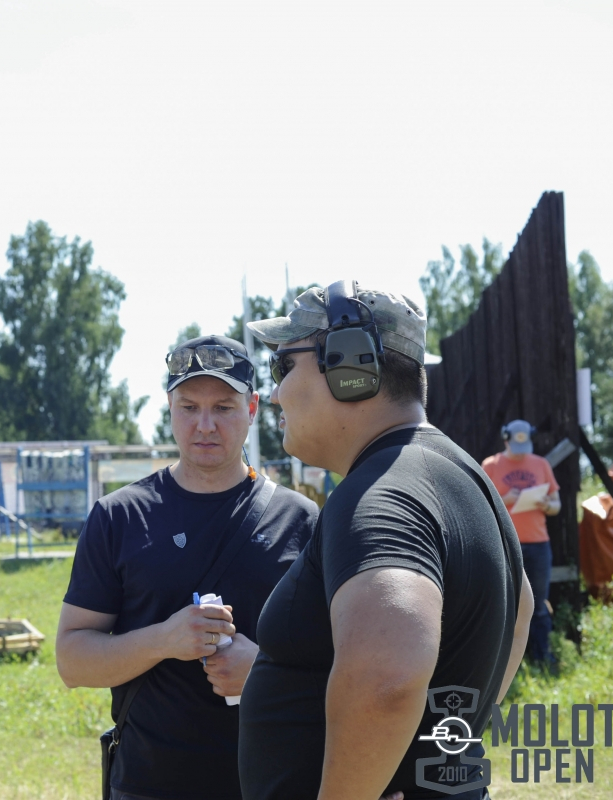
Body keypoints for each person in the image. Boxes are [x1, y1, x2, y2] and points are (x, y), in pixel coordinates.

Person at [239, 282, 532, 800]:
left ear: (350, 367)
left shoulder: (379, 494)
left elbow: (387, 678)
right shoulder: (461, 474)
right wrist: (446, 749)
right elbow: (521, 608)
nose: (276, 392)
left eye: (284, 366)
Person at [56, 335, 319, 800]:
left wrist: (264, 672)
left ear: (252, 409)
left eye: (223, 408)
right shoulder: (120, 517)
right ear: (169, 408)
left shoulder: (300, 520)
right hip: (149, 784)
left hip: (274, 783)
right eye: (189, 407)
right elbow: (72, 661)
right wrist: (164, 639)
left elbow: (342, 661)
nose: (205, 425)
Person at [482, 420, 561, 664]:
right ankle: (504, 662)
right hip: (505, 544)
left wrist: (546, 504)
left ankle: (541, 657)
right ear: (506, 439)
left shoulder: (541, 464)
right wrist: (504, 499)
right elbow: (481, 506)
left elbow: (556, 505)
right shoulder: (491, 465)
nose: (520, 454)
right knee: (505, 605)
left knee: (538, 604)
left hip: (538, 544)